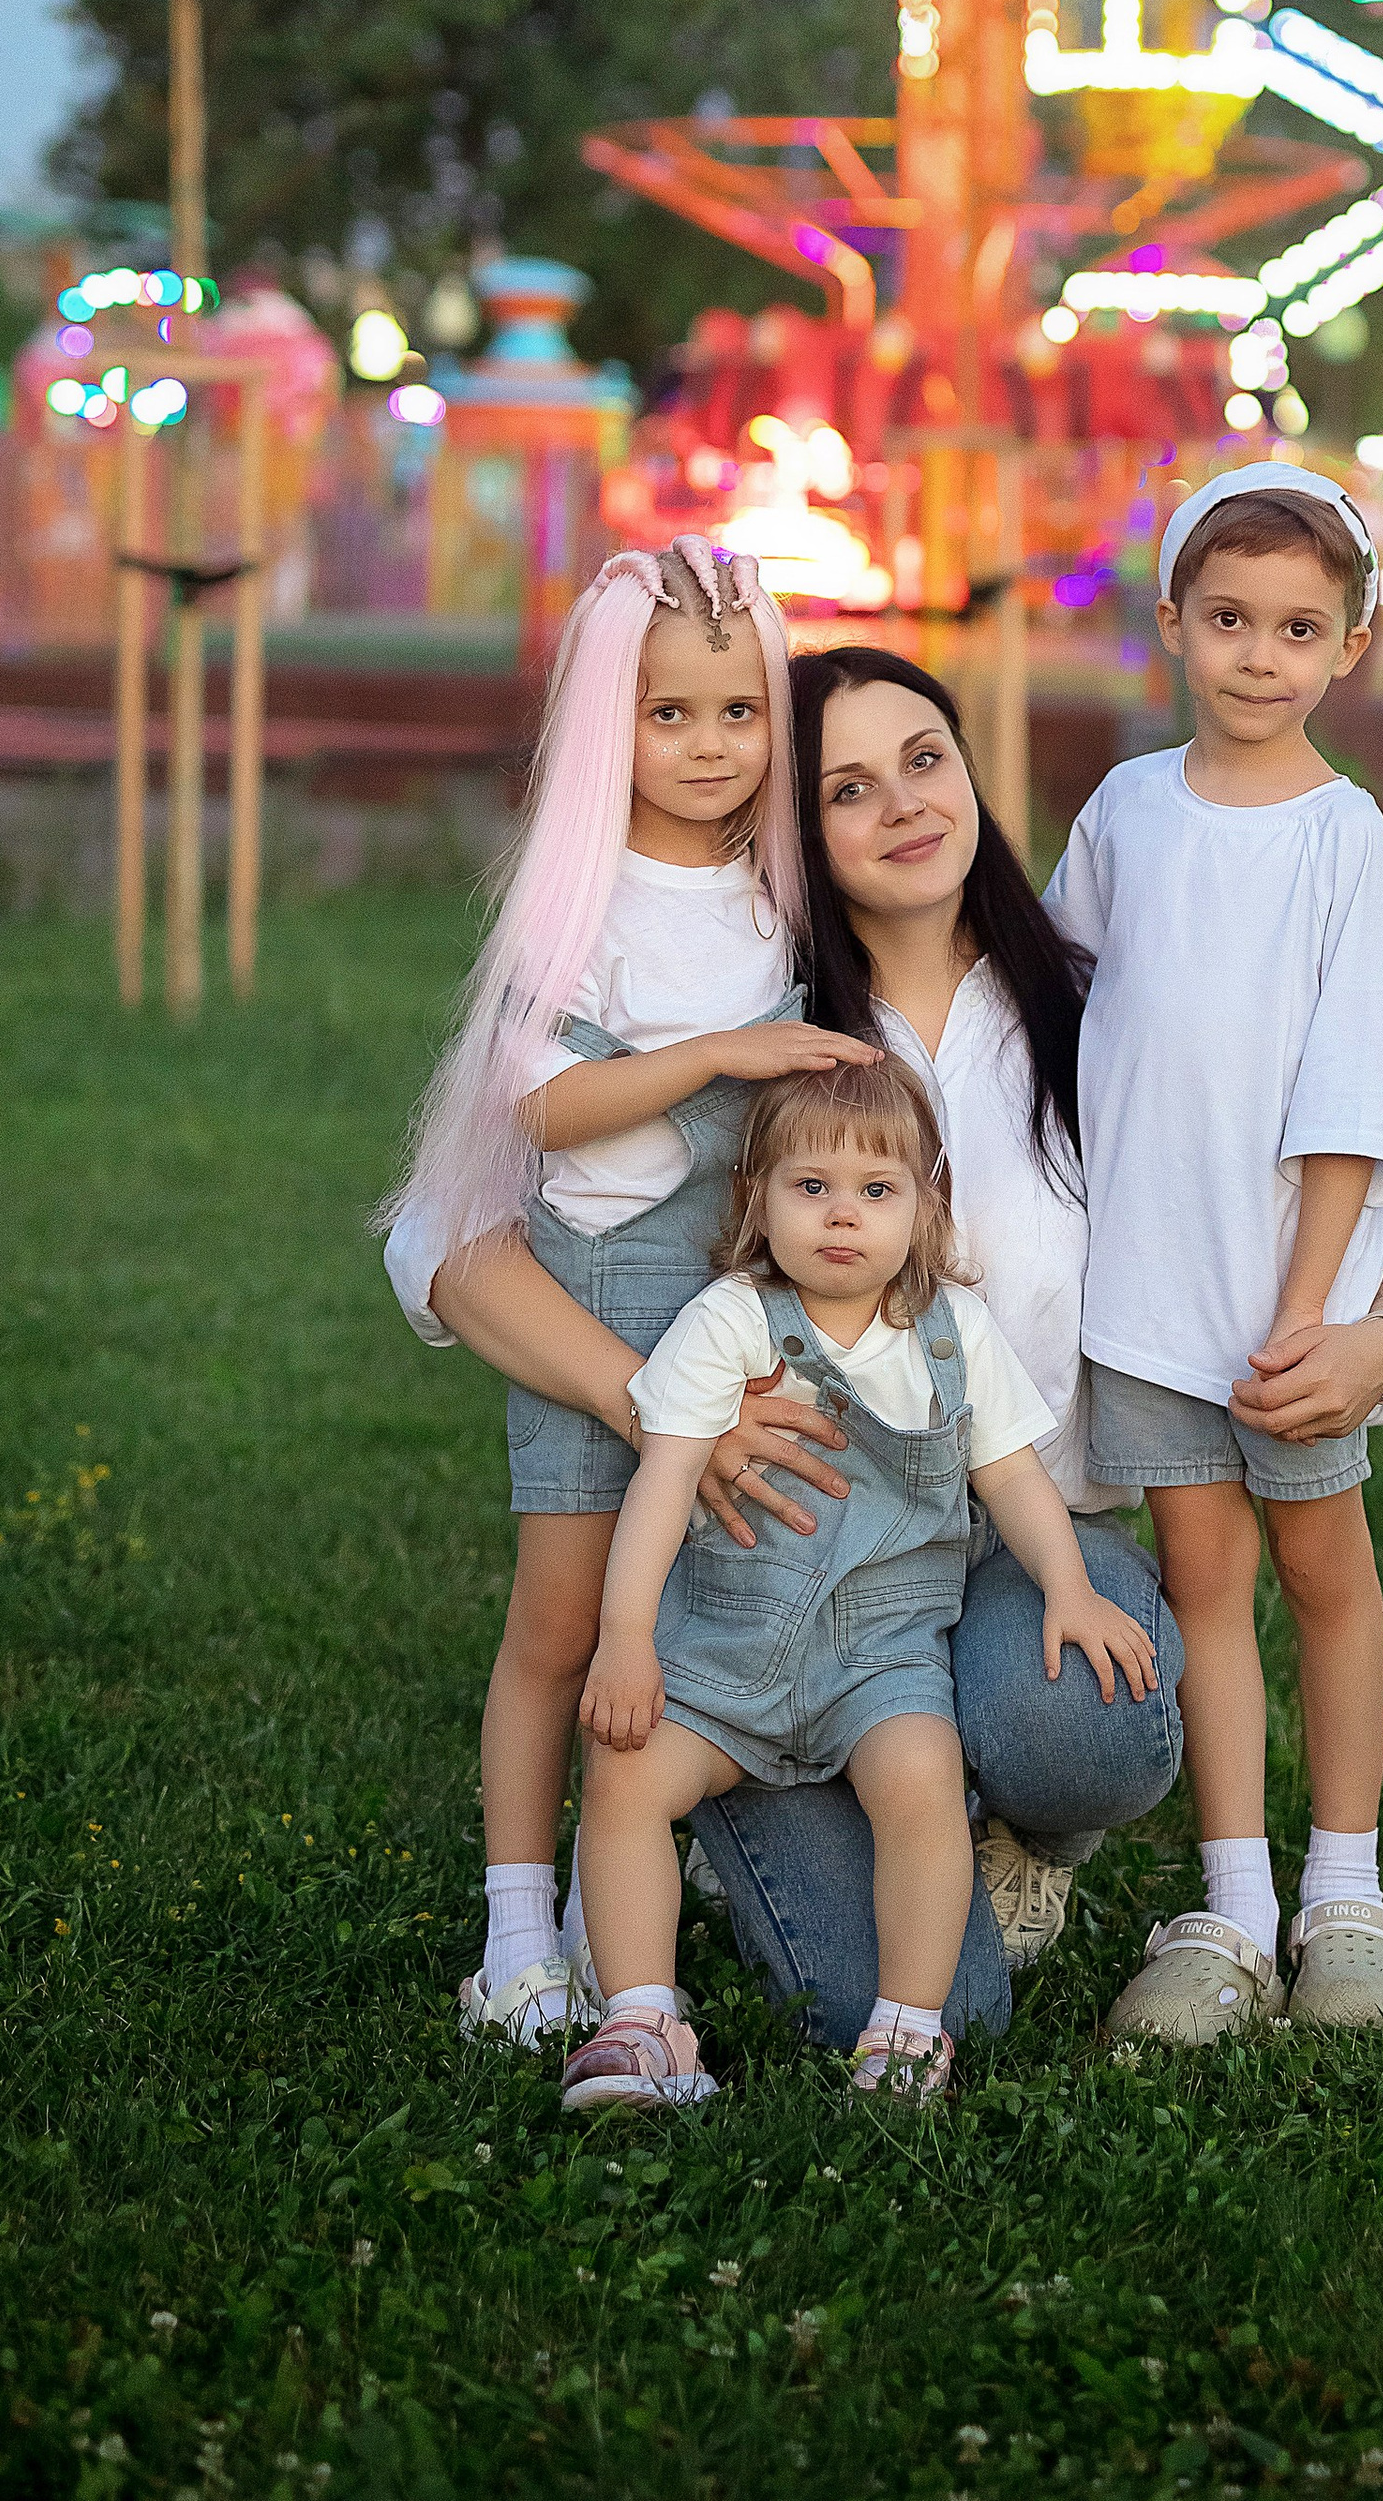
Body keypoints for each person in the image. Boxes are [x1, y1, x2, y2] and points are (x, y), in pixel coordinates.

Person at [378, 537, 875, 2047]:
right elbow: (536, 1110)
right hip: (606, 1293)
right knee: (566, 1618)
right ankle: (517, 1928)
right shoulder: (578, 900)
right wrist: (718, 1059)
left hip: (746, 1294)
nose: (714, 748)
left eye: (740, 714)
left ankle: (624, 1894)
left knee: (705, 1604)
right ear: (613, 725)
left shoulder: (781, 900)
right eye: (671, 716)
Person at [683, 643, 1196, 2044]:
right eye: (847, 789)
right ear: (801, 832)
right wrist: (655, 1409)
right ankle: (760, 1786)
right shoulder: (758, 1038)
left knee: (1072, 1727)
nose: (905, 804)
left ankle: (1026, 1832)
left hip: (1041, 1531)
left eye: (924, 759)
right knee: (940, 2012)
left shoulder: (1094, 1016)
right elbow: (459, 1242)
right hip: (812, 1568)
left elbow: (1287, 1224)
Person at [1048, 464, 1383, 2043]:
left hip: (1297, 1297)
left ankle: (1346, 1891)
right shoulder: (1125, 813)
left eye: (1300, 626)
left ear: (1349, 644)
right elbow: (1058, 1015)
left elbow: (1352, 1088)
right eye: (1229, 620)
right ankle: (1231, 1905)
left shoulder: (1345, 839)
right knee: (1203, 1588)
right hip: (1148, 1303)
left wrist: (1311, 1311)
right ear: (1171, 626)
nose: (1262, 656)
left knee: (1325, 1577)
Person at [561, 1057, 1156, 2112]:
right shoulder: (732, 1320)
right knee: (623, 1780)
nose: (843, 1216)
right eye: (811, 1187)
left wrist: (1066, 1584)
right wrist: (625, 1637)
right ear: (756, 1199)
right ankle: (641, 2021)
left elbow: (1011, 1473)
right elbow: (661, 1483)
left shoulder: (948, 1331)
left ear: (926, 1207)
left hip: (880, 1658)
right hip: (727, 1652)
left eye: (876, 1192)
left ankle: (906, 2031)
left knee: (920, 1780)